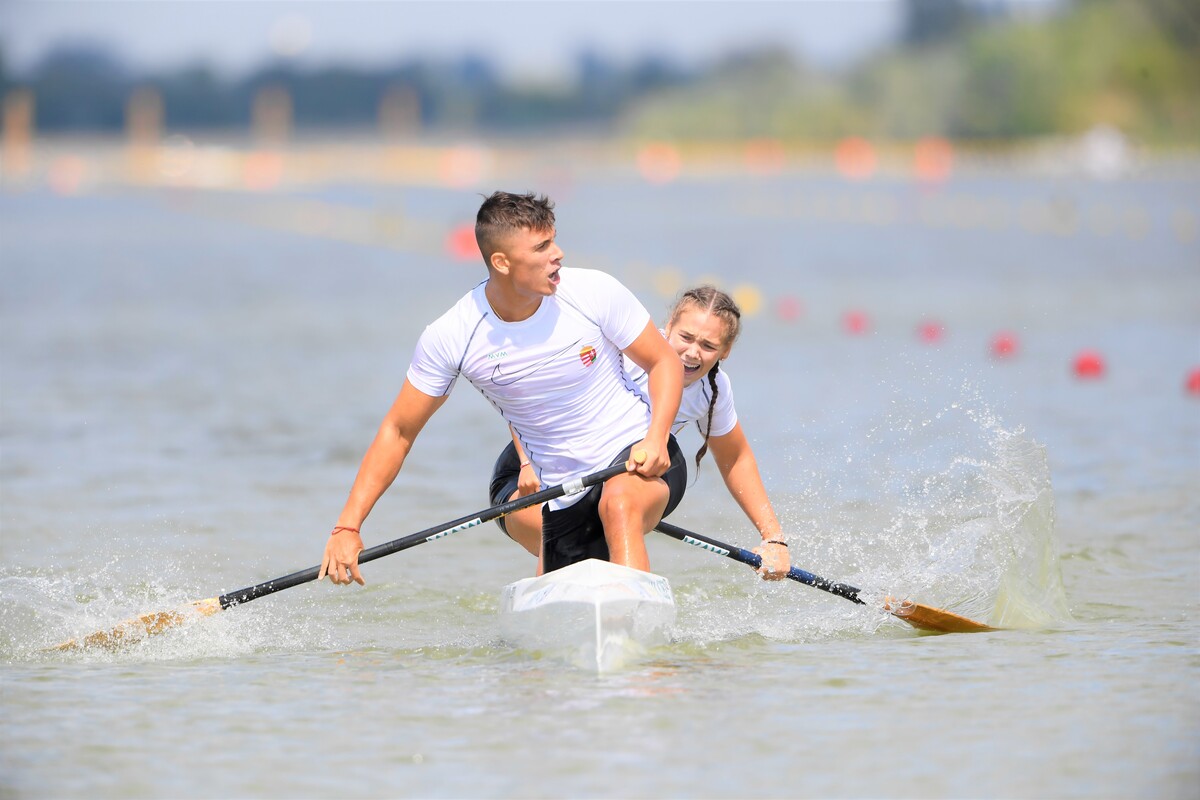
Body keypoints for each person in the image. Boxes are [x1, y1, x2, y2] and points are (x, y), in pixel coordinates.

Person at [318, 191, 686, 586]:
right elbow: (399, 431)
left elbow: (664, 361)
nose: (558, 254)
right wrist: (347, 526)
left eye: (554, 240)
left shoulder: (593, 292)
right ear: (502, 262)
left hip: (638, 457)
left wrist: (657, 438)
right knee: (564, 581)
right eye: (542, 247)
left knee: (620, 504)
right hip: (558, 489)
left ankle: (634, 618)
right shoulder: (454, 335)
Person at [489, 285, 792, 580]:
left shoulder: (713, 390)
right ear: (668, 327)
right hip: (527, 470)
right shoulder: (624, 348)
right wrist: (528, 463)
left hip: (620, 476)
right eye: (686, 337)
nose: (692, 353)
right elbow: (530, 397)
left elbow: (735, 459)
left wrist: (773, 539)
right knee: (567, 534)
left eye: (708, 346)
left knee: (618, 507)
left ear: (725, 351)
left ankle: (627, 603)